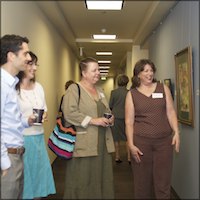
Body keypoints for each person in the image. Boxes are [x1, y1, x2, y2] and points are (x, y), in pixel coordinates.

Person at [125, 58, 180, 199]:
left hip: (164, 143)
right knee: (142, 183)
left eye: (151, 70)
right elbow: (129, 122)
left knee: (163, 182)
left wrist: (176, 132)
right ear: (138, 74)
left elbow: (171, 112)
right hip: (141, 144)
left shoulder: (163, 88)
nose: (150, 74)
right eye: (145, 71)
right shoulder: (132, 94)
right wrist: (130, 144)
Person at [62, 57, 115, 199]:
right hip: (85, 144)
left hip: (103, 143)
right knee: (83, 178)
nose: (98, 72)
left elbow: (106, 110)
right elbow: (69, 113)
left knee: (101, 177)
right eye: (94, 70)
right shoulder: (75, 89)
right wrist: (93, 121)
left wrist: (110, 118)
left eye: (98, 69)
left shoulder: (100, 90)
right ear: (84, 73)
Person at [15, 51, 56, 199]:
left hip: (38, 139)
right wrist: (28, 120)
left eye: (35, 64)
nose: (34, 68)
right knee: (24, 184)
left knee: (38, 181)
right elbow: (9, 120)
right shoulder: (13, 88)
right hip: (21, 141)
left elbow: (44, 108)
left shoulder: (38, 87)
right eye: (30, 64)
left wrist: (44, 115)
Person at [1, 34, 36, 199]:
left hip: (16, 156)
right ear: (11, 56)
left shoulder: (11, 84)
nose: (29, 58)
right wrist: (5, 163)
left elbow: (9, 122)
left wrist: (25, 121)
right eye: (25, 54)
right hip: (7, 158)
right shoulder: (2, 85)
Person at [109, 74, 131, 163]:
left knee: (116, 138)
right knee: (128, 137)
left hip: (116, 117)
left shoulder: (113, 92)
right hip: (127, 117)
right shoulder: (129, 92)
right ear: (127, 82)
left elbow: (110, 105)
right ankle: (129, 158)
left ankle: (117, 157)